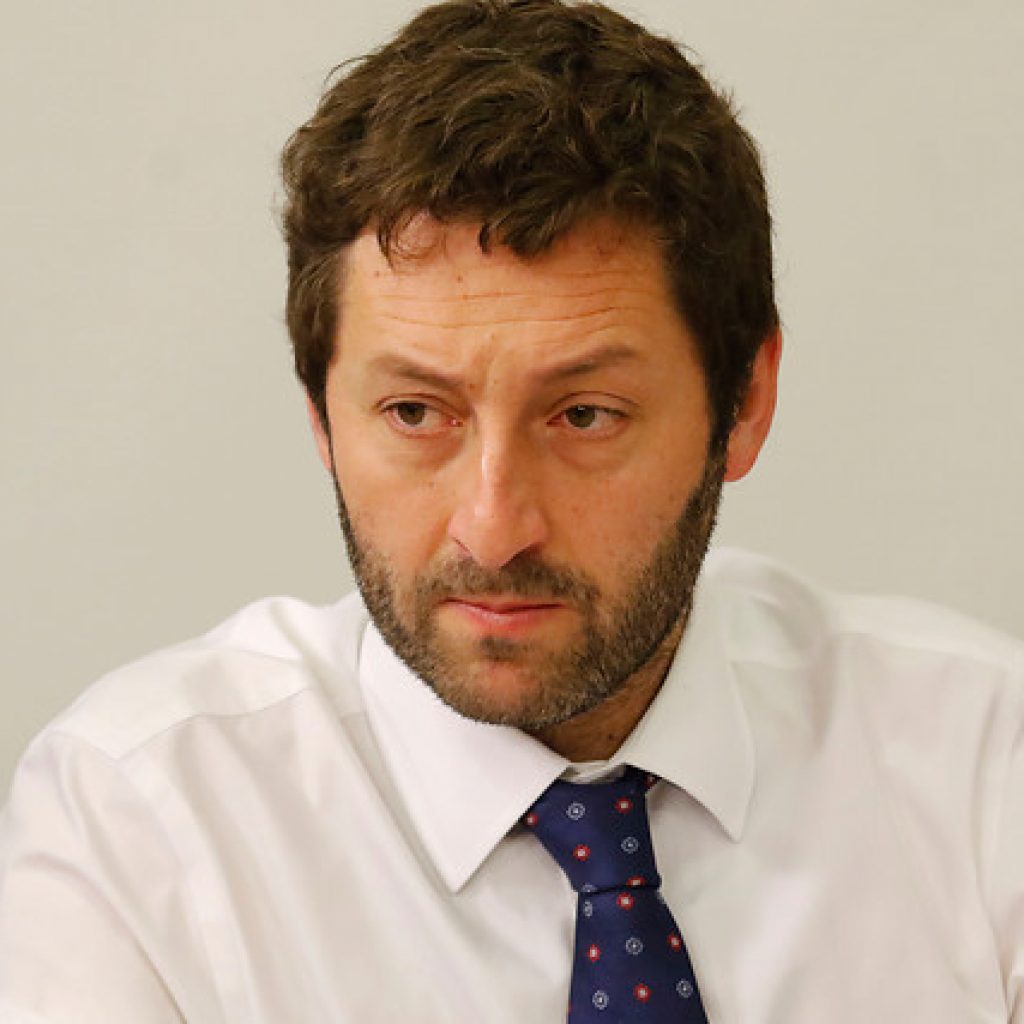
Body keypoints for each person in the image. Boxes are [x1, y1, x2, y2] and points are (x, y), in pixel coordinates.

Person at [1, 0, 1022, 1020]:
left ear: (744, 402)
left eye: (584, 415)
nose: (492, 529)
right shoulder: (138, 829)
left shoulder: (981, 763)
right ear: (320, 415)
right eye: (414, 413)